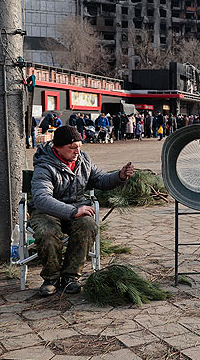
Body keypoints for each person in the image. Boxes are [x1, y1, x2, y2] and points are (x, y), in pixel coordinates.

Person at [29, 125, 134, 296]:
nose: (77, 151)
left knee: (87, 226)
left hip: (76, 209)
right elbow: (42, 198)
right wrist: (71, 211)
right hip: (47, 211)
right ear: (57, 148)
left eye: (79, 146)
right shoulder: (45, 166)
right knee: (47, 232)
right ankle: (51, 278)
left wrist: (119, 176)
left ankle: (71, 276)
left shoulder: (83, 160)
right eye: (72, 148)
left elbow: (100, 179)